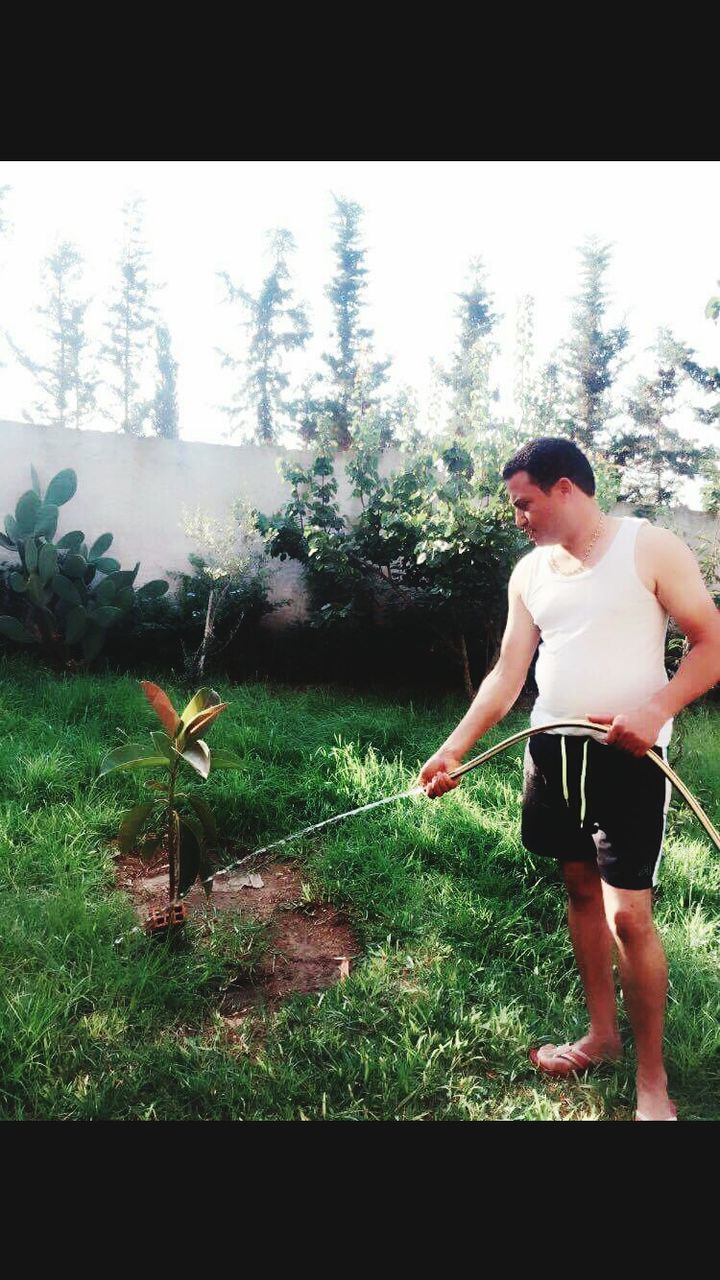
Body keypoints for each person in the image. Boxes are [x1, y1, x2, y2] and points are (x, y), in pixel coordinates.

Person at [418, 437, 720, 1122]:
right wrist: (454, 748)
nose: (517, 517)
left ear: (563, 488)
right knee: (580, 889)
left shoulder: (648, 547)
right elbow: (506, 672)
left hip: (631, 756)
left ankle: (652, 1080)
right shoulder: (529, 574)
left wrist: (656, 709)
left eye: (523, 503)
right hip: (551, 749)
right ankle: (602, 1037)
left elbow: (712, 642)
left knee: (630, 917)